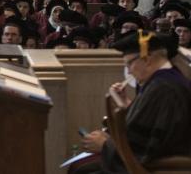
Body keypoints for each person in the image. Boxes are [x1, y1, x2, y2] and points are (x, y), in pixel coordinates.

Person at [77, 30, 191, 173]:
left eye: (129, 64)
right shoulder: (166, 78)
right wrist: (128, 105)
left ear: (146, 59)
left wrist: (105, 144)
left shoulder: (163, 89)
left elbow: (142, 149)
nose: (129, 72)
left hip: (159, 166)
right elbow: (149, 127)